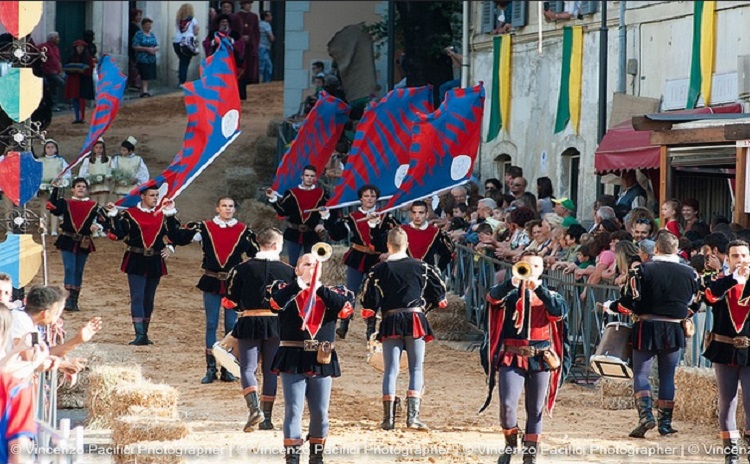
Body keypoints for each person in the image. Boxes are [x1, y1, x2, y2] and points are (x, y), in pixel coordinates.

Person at [605, 231, 698, 439]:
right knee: (667, 375)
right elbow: (696, 301)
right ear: (676, 250)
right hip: (674, 327)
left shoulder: (642, 270)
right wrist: (683, 314)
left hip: (646, 325)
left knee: (641, 373)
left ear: (656, 249)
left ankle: (645, 416)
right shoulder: (691, 273)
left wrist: (611, 306)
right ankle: (665, 423)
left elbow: (628, 301)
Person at [482, 251, 568, 464]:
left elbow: (558, 313)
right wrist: (513, 282)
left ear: (542, 270)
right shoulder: (509, 295)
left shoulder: (552, 295)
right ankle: (510, 444)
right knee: (508, 404)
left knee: (535, 409)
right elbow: (492, 297)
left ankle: (530, 454)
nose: (531, 271)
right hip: (512, 355)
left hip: (540, 358)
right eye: (526, 266)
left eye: (536, 267)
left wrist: (538, 288)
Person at [269, 253, 355, 463]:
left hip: (321, 357)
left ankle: (317, 456)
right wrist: (300, 284)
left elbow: (345, 311)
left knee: (320, 411)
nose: (311, 268)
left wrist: (318, 288)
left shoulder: (335, 292)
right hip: (293, 356)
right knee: (294, 408)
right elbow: (275, 304)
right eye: (306, 264)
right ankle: (293, 457)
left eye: (315, 265)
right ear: (297, 269)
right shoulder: (284, 290)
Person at [361, 227, 448, 431]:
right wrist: (430, 304)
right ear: (407, 244)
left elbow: (367, 302)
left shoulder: (377, 270)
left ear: (388, 245)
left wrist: (371, 311)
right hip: (415, 318)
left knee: (391, 370)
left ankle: (388, 419)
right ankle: (413, 418)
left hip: (391, 318)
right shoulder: (422, 266)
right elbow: (441, 293)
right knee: (416, 368)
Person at [170, 197, 259, 384]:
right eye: (224, 206)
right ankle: (210, 368)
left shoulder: (243, 231)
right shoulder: (204, 227)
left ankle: (228, 368)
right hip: (211, 280)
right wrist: (170, 214)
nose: (227, 209)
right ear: (217, 208)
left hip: (233, 283)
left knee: (231, 325)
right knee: (211, 324)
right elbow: (179, 237)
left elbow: (255, 254)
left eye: (231, 206)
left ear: (235, 209)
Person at [225, 228, 294, 432]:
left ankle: (254, 409)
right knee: (271, 370)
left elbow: (231, 299)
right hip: (276, 324)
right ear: (274, 245)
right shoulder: (288, 270)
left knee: (248, 368)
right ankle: (267, 419)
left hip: (249, 321)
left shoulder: (240, 268)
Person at [105, 186, 180, 346]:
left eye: (157, 195)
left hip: (154, 259)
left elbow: (175, 234)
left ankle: (145, 332)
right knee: (137, 296)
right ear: (142, 197)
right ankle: (139, 334)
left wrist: (171, 246)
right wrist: (113, 215)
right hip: (136, 258)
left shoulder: (162, 215)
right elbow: (118, 234)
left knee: (149, 298)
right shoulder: (130, 214)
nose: (155, 198)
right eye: (152, 195)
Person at [320, 184, 398, 338]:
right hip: (358, 257)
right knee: (351, 291)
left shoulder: (386, 218)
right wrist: (327, 218)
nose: (369, 199)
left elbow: (394, 237)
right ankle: (344, 324)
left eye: (373, 196)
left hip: (377, 259)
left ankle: (371, 327)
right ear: (361, 198)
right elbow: (336, 235)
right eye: (366, 196)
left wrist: (388, 252)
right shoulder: (352, 218)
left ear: (377, 199)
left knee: (374, 293)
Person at [702, 240, 750, 463]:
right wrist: (733, 279)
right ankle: (731, 456)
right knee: (727, 402)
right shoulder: (719, 282)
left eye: (743, 255)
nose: (740, 260)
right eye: (735, 256)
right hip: (724, 348)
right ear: (728, 260)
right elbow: (709, 297)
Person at [48, 177, 105, 311]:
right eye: (78, 186)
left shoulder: (93, 205)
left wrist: (97, 225)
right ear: (73, 189)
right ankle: (68, 300)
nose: (81, 188)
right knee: (69, 268)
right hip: (68, 240)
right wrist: (55, 189)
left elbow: (104, 219)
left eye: (83, 187)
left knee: (78, 270)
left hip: (83, 241)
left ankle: (74, 300)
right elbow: (53, 207)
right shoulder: (66, 203)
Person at [266, 165, 328, 266]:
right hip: (294, 233)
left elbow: (330, 212)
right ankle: (292, 281)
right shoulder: (291, 193)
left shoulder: (322, 194)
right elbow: (282, 212)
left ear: (315, 178)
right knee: (292, 264)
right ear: (302, 177)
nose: (309, 178)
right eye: (307, 175)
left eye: (312, 176)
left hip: (312, 234)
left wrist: (323, 224)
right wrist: (273, 199)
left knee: (310, 263)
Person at [401, 200, 454, 271]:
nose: (417, 216)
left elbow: (447, 253)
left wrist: (438, 270)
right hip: (404, 274)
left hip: (426, 275)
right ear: (411, 214)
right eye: (414, 212)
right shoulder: (401, 231)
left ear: (427, 214)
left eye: (421, 213)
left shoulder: (436, 232)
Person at [38, 139, 71, 236]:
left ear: (56, 149)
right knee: (44, 208)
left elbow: (67, 173)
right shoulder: (40, 160)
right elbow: (36, 173)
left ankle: (54, 229)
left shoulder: (60, 160)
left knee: (55, 208)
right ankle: (44, 228)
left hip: (56, 188)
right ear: (45, 149)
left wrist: (60, 180)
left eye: (52, 147)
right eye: (48, 147)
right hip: (43, 188)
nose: (50, 149)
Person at [78, 138, 112, 215]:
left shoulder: (108, 159)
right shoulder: (88, 160)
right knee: (93, 207)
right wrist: (90, 179)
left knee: (102, 207)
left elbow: (112, 171)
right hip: (93, 188)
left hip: (104, 188)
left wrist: (107, 177)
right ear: (93, 148)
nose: (98, 150)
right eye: (96, 147)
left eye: (100, 148)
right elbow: (83, 173)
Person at [63, 40, 94, 123]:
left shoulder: (87, 57)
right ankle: (77, 118)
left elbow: (90, 69)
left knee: (81, 99)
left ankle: (82, 117)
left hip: (83, 81)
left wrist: (83, 71)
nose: (80, 49)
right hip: (74, 81)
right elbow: (66, 68)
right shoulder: (71, 57)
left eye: (81, 47)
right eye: (78, 47)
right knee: (75, 99)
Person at [236, 0, 260, 98]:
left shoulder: (254, 17)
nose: (249, 6)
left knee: (250, 67)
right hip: (240, 47)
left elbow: (256, 31)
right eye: (248, 4)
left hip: (250, 47)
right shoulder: (237, 16)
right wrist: (241, 38)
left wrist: (253, 41)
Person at [173, 3, 201, 85]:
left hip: (177, 41)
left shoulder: (178, 20)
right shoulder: (193, 20)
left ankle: (181, 79)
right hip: (187, 43)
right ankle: (182, 81)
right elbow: (195, 32)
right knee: (185, 62)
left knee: (182, 60)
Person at [132, 17, 159, 97]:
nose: (149, 26)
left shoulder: (152, 35)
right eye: (147, 24)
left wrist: (154, 49)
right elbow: (135, 46)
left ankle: (143, 90)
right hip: (142, 58)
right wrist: (146, 49)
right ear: (143, 25)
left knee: (148, 74)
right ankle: (144, 91)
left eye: (150, 25)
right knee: (144, 74)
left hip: (151, 58)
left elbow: (156, 45)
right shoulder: (139, 34)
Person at [39, 32, 64, 112]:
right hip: (47, 72)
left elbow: (58, 60)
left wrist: (60, 70)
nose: (58, 39)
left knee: (55, 86)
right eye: (57, 38)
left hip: (55, 72)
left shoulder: (56, 48)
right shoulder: (44, 47)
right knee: (61, 82)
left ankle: (54, 104)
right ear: (51, 38)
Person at [128, 8, 143, 90]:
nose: (140, 17)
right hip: (133, 50)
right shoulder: (133, 27)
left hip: (133, 49)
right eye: (138, 15)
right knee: (134, 66)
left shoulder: (133, 26)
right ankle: (132, 83)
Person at [258, 10, 274, 83]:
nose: (271, 17)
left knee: (266, 65)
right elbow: (271, 37)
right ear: (266, 17)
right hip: (263, 47)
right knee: (264, 66)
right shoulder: (266, 25)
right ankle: (264, 82)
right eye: (270, 16)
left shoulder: (259, 24)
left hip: (261, 47)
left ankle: (263, 81)